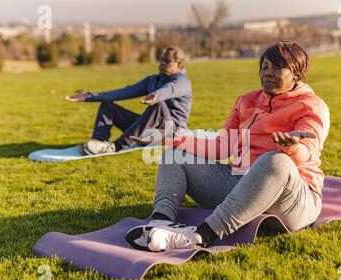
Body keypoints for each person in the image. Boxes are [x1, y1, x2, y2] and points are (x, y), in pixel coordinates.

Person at [125, 40, 330, 252]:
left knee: (276, 160)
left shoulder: (311, 105)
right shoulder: (247, 101)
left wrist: (292, 147)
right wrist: (169, 138)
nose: (267, 72)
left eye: (277, 67)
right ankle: (160, 221)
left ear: (296, 74)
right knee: (175, 155)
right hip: (242, 186)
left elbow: (308, 149)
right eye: (264, 67)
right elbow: (222, 147)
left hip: (292, 200)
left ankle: (200, 236)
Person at [65, 46, 192, 155]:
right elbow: (124, 92)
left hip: (171, 132)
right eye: (161, 60)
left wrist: (156, 95)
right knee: (107, 106)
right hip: (150, 129)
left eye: (167, 61)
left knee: (158, 105)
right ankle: (98, 142)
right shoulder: (153, 80)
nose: (162, 63)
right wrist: (89, 96)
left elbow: (169, 89)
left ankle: (116, 146)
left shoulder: (182, 81)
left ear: (179, 65)